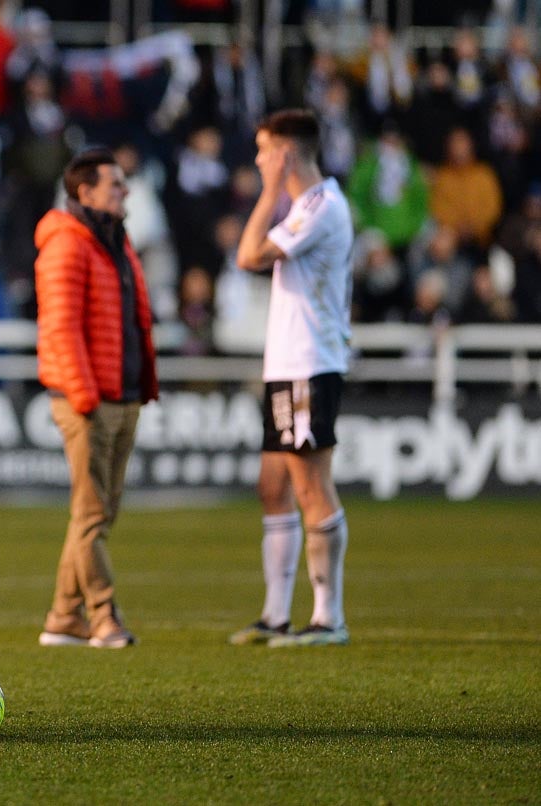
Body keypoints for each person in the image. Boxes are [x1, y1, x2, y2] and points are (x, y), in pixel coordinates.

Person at [230, 109, 353, 648]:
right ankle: (276, 614)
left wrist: (268, 190)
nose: (257, 160)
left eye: (264, 150)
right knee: (273, 486)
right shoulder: (304, 206)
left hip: (309, 363)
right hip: (285, 366)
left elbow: (248, 254)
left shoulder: (322, 206)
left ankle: (329, 618)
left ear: (285, 152)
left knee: (310, 487)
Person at [32, 147, 159, 651]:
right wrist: (87, 398)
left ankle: (63, 617)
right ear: (85, 192)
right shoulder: (68, 243)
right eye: (116, 184)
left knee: (96, 514)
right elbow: (60, 327)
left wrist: (138, 387)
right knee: (93, 515)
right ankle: (103, 617)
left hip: (120, 395)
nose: (125, 191)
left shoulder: (112, 239)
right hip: (90, 399)